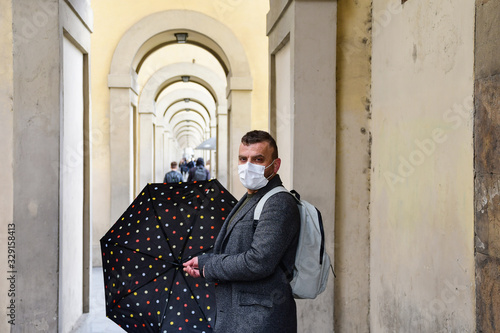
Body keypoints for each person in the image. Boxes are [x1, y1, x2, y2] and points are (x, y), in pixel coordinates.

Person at [183, 130, 300, 332]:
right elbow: (239, 251)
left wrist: (209, 267)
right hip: (240, 318)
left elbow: (258, 262)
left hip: (260, 321)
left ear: (275, 165)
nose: (248, 166)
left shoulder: (278, 202)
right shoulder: (251, 197)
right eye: (243, 159)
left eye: (258, 159)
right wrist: (204, 261)